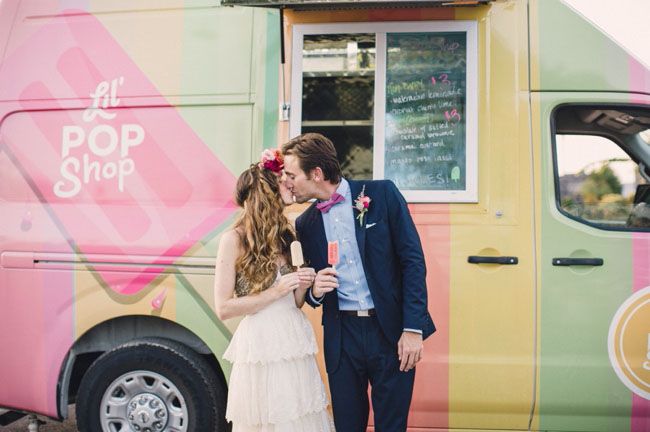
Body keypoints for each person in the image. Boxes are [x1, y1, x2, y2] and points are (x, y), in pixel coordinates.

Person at [282, 133, 436, 431]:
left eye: (291, 175)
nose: (288, 182)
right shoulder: (306, 223)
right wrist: (314, 291)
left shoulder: (383, 194)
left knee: (391, 425)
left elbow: (413, 263)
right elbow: (311, 288)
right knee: (347, 424)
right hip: (343, 338)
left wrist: (412, 328)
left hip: (390, 331)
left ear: (316, 173)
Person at [213, 149, 334, 432]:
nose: (290, 184)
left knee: (297, 418)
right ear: (267, 191)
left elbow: (295, 302)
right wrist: (277, 290)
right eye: (283, 180)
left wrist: (304, 285)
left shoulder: (288, 235)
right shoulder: (233, 240)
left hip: (292, 338)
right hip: (260, 345)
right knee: (267, 420)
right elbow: (224, 308)